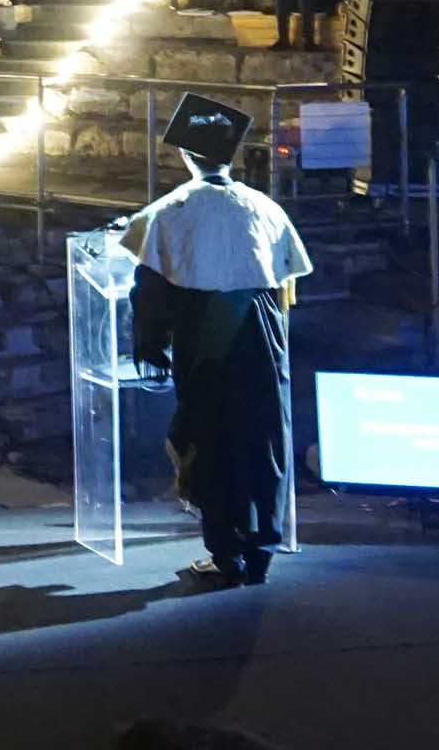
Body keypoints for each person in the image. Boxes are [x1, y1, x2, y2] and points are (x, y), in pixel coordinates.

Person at [122, 94, 313, 590]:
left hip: (205, 337)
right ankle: (262, 550)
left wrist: (150, 346)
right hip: (263, 338)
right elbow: (284, 284)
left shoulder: (171, 211)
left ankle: (226, 553)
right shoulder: (264, 207)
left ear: (186, 156)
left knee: (209, 440)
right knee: (264, 439)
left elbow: (151, 290)